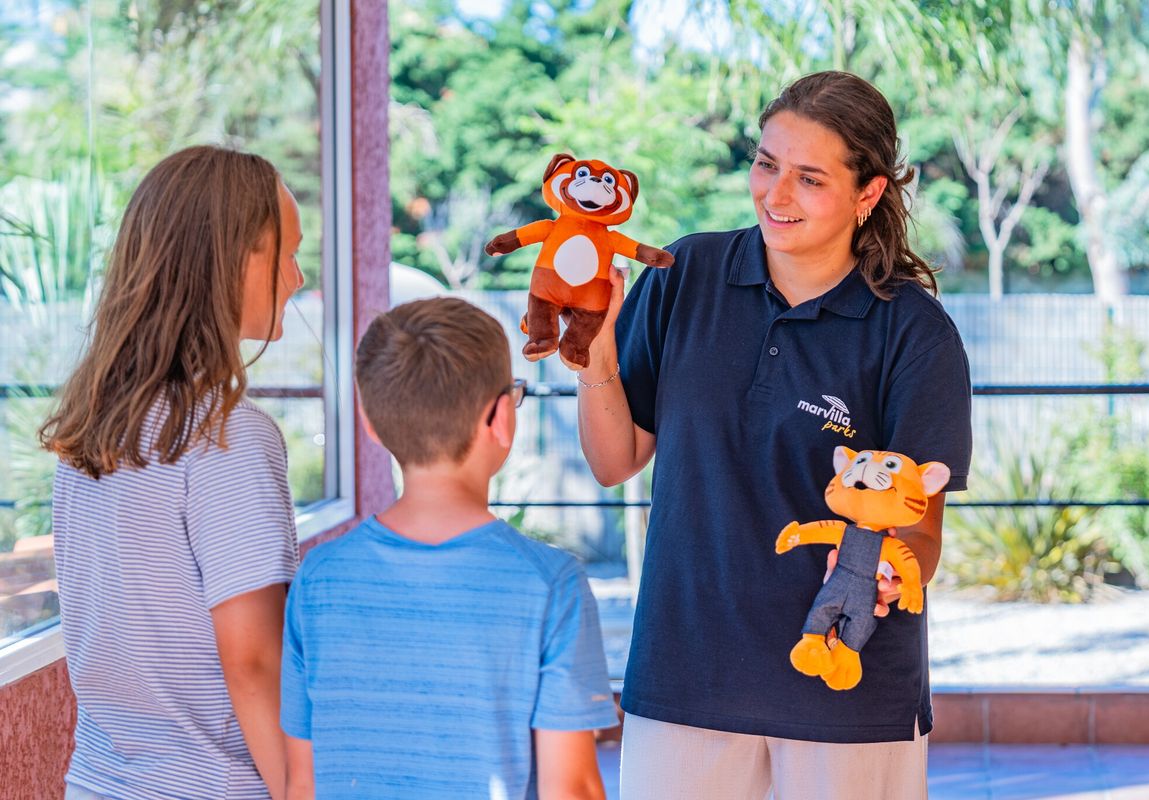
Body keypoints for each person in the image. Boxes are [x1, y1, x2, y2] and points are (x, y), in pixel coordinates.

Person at [577, 71, 973, 799]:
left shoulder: (913, 332)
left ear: (868, 193)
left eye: (809, 179)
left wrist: (888, 572)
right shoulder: (684, 274)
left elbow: (921, 532)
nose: (775, 194)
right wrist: (596, 350)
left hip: (845, 687)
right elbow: (614, 461)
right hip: (684, 676)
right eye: (766, 164)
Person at [41, 145, 305, 800]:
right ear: (235, 258)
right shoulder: (229, 437)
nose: (298, 278)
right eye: (288, 254)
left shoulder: (91, 428)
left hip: (97, 782)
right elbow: (254, 662)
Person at [280, 297, 617, 800]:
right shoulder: (551, 584)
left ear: (370, 422)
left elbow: (301, 783)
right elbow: (570, 789)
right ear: (501, 417)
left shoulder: (318, 578)